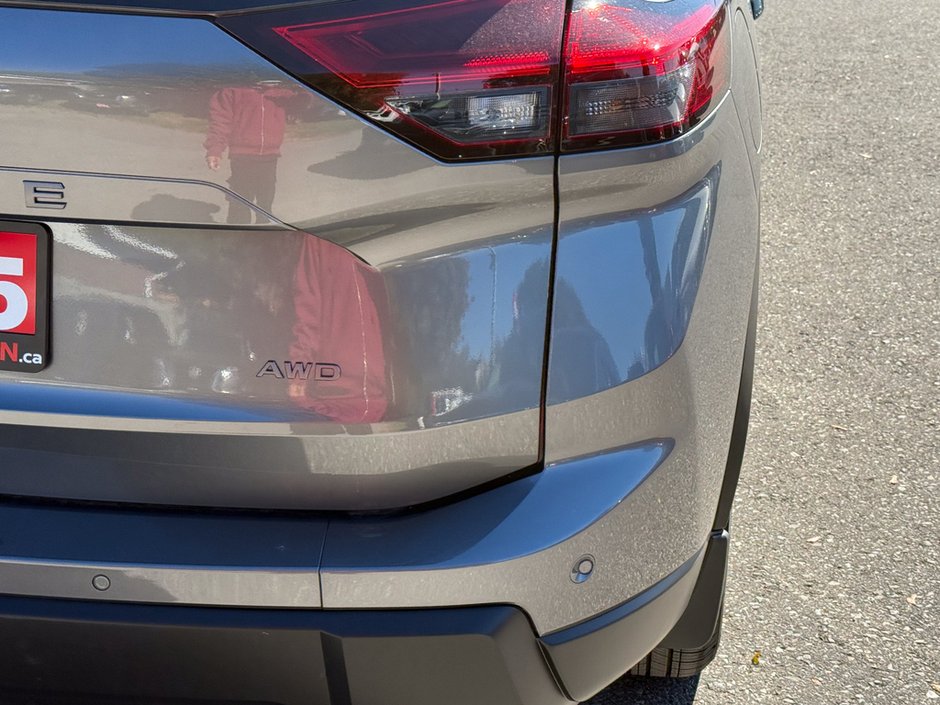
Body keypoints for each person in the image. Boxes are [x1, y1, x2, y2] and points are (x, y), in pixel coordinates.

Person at [204, 80, 298, 224]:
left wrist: (301, 87)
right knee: (240, 201)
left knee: (266, 198)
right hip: (242, 156)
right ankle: (238, 236)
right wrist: (215, 150)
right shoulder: (233, 90)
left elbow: (304, 104)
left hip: (270, 155)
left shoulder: (281, 92)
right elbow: (220, 122)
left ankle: (263, 230)